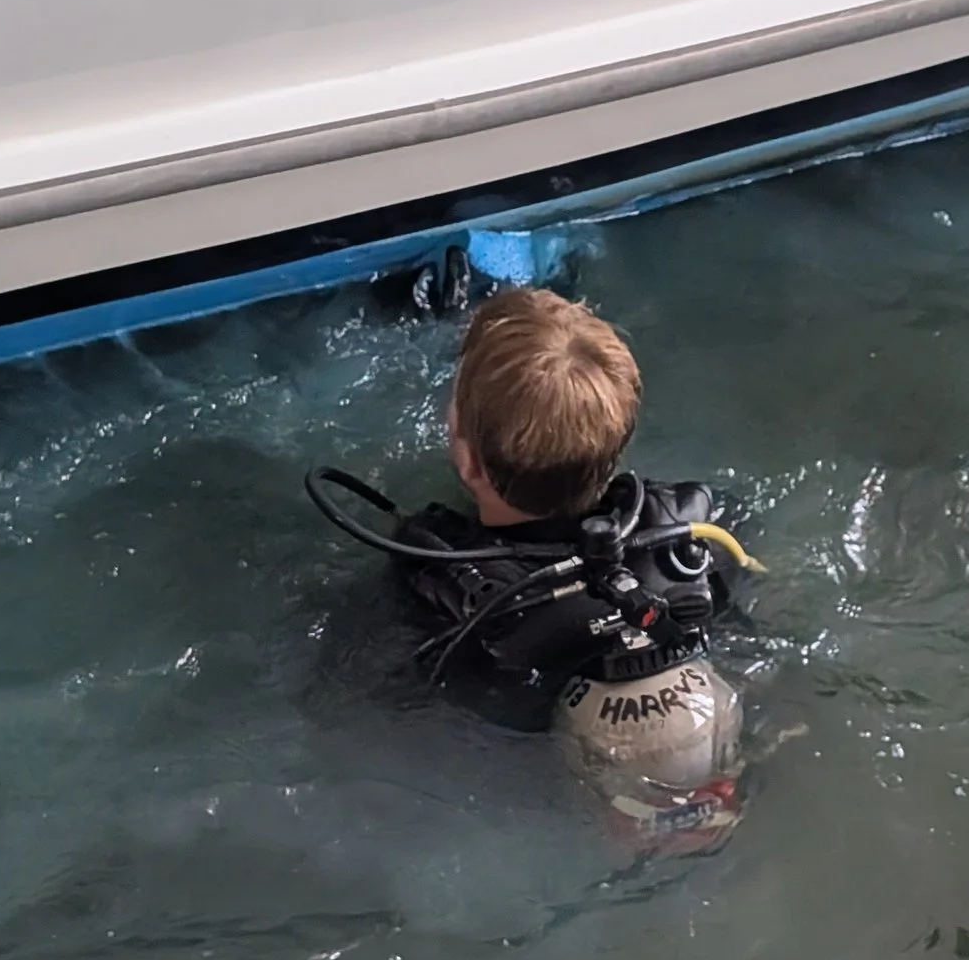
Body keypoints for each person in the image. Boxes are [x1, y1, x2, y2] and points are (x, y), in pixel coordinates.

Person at [307, 287, 757, 851]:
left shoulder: (438, 585)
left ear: (468, 459)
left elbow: (355, 702)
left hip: (514, 772)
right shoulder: (691, 538)